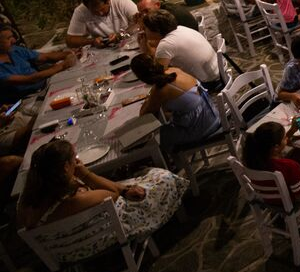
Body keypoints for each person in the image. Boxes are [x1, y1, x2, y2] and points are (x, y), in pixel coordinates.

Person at [16, 139, 187, 259]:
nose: (77, 160)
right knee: (162, 177)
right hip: (101, 235)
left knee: (130, 179)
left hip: (64, 250)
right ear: (66, 167)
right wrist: (85, 174)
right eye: (74, 158)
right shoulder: (73, 201)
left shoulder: (25, 202)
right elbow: (113, 194)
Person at [131, 55, 223, 152]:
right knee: (166, 118)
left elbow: (144, 115)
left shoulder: (159, 90)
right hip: (212, 114)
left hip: (203, 127)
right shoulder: (174, 70)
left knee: (156, 137)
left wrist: (149, 97)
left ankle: (172, 159)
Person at [242, 122, 300, 201]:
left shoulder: (252, 157)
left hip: (269, 196)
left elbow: (280, 149)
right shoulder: (289, 166)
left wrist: (292, 130)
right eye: (284, 138)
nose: (287, 138)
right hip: (291, 199)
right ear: (276, 147)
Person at [142, 9, 223, 91]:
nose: (144, 31)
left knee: (163, 89)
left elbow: (158, 75)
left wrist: (146, 49)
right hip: (220, 72)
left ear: (156, 30)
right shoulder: (181, 28)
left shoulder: (165, 45)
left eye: (145, 28)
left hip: (209, 83)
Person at [0, 24, 76, 103]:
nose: (14, 41)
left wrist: (69, 53)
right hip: (28, 99)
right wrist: (62, 66)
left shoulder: (15, 50)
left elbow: (45, 57)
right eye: (8, 38)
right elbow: (29, 79)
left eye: (12, 36)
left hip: (46, 86)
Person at [65, 0, 139, 48]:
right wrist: (92, 41)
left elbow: (140, 22)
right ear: (87, 8)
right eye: (95, 12)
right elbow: (70, 41)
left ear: (108, 1)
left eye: (102, 9)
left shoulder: (122, 1)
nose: (100, 13)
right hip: (104, 49)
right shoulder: (81, 11)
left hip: (131, 43)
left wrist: (121, 35)